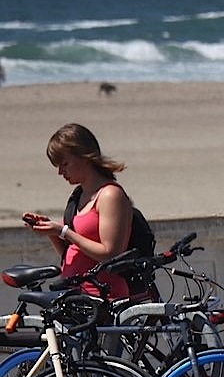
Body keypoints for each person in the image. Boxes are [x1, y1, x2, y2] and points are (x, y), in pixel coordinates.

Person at [21, 123, 139, 301]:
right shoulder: (79, 196)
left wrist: (63, 231)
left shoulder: (109, 195)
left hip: (103, 298)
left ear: (84, 157)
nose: (61, 172)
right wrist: (52, 232)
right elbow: (73, 252)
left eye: (65, 164)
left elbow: (111, 253)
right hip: (75, 297)